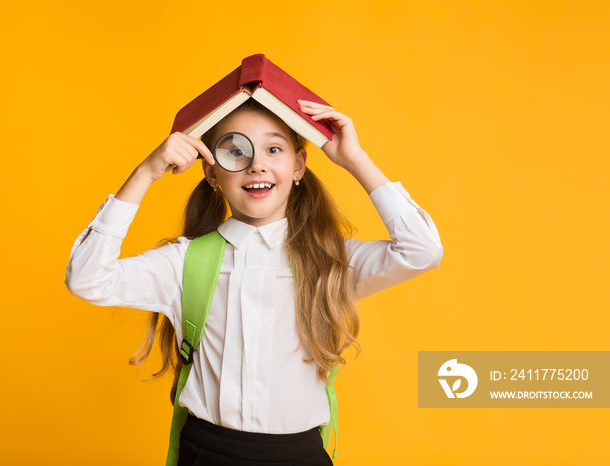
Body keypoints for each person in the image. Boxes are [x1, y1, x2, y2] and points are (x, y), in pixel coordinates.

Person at [65, 97, 443, 465]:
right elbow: (87, 278)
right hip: (208, 452)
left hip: (300, 455)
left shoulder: (330, 261)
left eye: (274, 150)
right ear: (212, 173)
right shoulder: (184, 262)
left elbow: (421, 250)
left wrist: (355, 160)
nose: (257, 165)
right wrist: (146, 172)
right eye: (235, 151)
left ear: (299, 167)